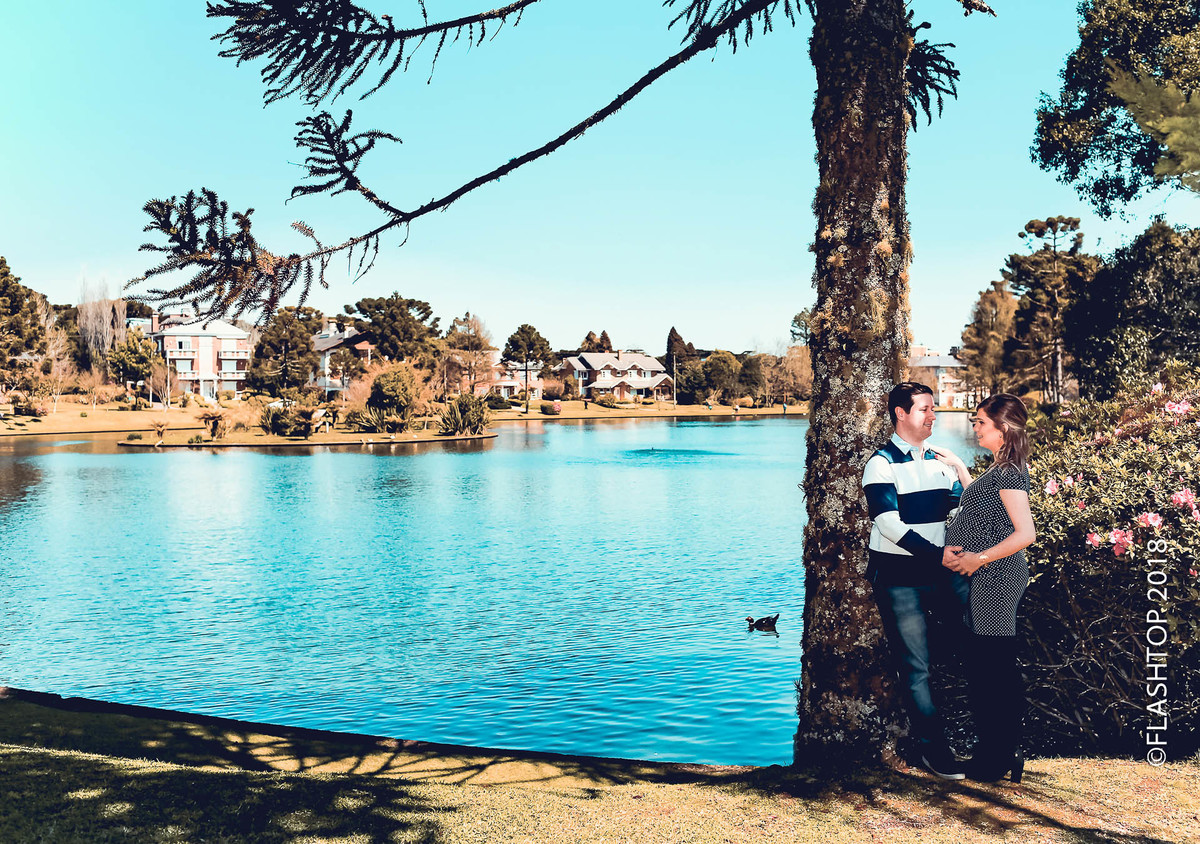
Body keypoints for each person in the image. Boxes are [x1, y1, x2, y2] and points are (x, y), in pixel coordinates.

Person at [862, 382, 969, 780]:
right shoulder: (881, 464)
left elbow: (963, 509)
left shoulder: (942, 462)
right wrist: (937, 554)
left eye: (933, 408)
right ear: (900, 413)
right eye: (924, 409)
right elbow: (888, 524)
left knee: (978, 646)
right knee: (917, 667)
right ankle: (935, 752)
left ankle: (992, 743)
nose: (932, 416)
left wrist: (961, 470)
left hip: (943, 573)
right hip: (899, 579)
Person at [934, 393, 1036, 783]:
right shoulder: (1001, 468)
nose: (975, 427)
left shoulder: (1009, 472)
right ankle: (999, 750)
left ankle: (998, 755)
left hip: (997, 577)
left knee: (993, 666)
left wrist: (978, 558)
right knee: (986, 664)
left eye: (980, 422)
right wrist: (960, 468)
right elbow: (984, 507)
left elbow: (1025, 533)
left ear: (1003, 427)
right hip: (988, 576)